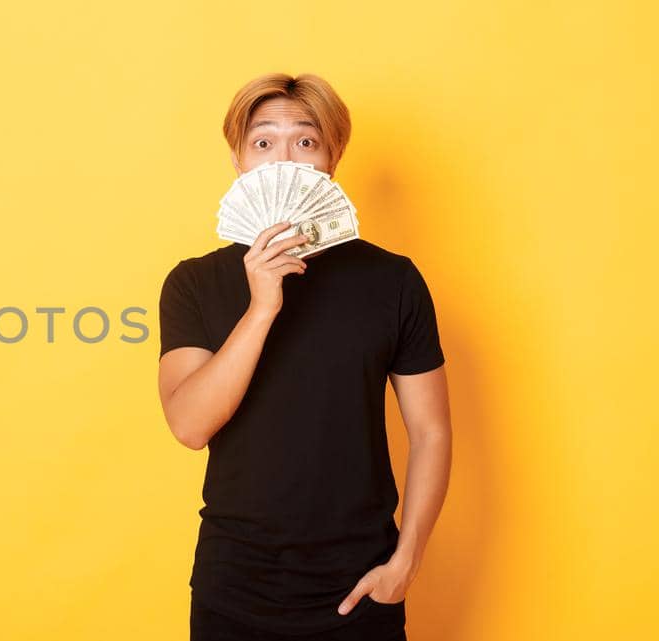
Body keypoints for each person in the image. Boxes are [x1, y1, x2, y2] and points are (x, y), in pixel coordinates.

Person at [156, 73, 452, 640]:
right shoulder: (193, 284)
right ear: (239, 162)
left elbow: (432, 431)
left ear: (332, 160)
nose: (283, 159)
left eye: (306, 141)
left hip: (362, 583)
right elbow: (189, 426)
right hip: (235, 583)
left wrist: (405, 563)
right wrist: (261, 307)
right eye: (263, 143)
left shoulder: (392, 281)